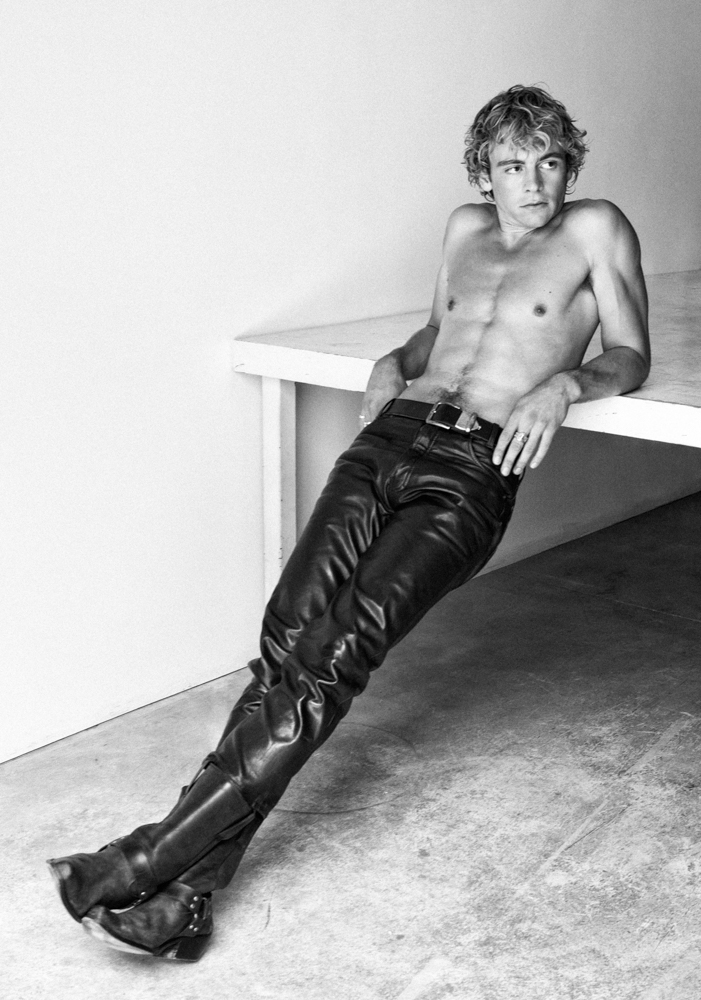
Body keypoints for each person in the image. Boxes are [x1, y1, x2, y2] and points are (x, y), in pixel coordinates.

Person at [47, 84, 650, 962]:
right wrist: (395, 359)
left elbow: (631, 352)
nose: (534, 183)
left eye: (550, 162)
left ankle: (141, 857)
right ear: (483, 174)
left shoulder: (595, 228)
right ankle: (187, 899)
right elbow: (441, 332)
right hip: (389, 439)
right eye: (513, 165)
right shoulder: (462, 230)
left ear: (570, 167)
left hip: (471, 473)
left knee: (331, 658)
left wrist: (566, 383)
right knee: (286, 642)